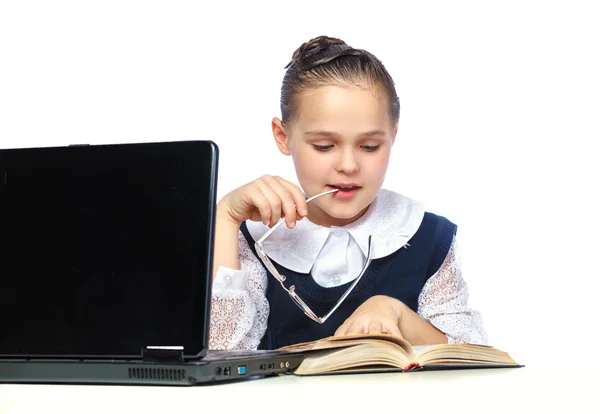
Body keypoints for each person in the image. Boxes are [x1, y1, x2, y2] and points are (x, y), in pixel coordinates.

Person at [209, 35, 487, 351]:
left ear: (392, 137)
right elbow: (217, 349)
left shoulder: (427, 237)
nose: (348, 165)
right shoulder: (252, 236)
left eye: (370, 146)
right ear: (283, 136)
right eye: (324, 146)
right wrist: (225, 217)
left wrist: (397, 313)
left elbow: (474, 356)